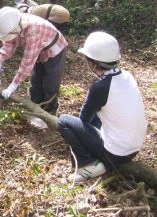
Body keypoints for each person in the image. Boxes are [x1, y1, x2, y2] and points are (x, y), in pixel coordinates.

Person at [57, 32, 147, 182]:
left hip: (115, 154)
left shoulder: (100, 87)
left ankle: (88, 164)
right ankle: (96, 157)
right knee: (98, 115)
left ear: (94, 62)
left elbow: (83, 119)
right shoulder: (128, 76)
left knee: (64, 121)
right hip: (133, 148)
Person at [0, 7, 68, 115]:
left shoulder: (33, 31)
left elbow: (27, 62)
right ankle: (35, 109)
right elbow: (9, 44)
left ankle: (49, 113)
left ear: (16, 28)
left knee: (50, 83)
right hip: (40, 50)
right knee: (36, 81)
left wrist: (13, 86)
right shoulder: (13, 24)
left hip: (55, 49)